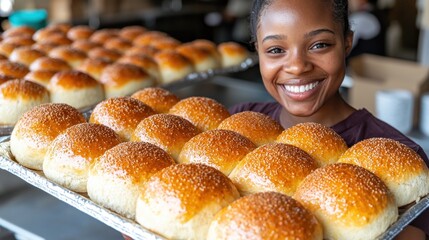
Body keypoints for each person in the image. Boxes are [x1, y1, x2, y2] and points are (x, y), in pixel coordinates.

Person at [229, 0, 429, 239]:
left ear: (346, 43)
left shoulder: (402, 159)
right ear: (258, 52)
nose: (297, 66)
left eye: (319, 45)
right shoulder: (239, 124)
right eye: (275, 50)